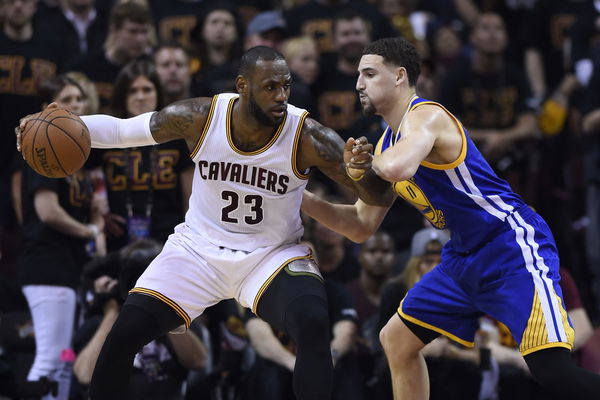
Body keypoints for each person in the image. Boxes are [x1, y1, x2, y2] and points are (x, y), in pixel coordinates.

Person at [16, 45, 393, 400]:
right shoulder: (200, 117)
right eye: (270, 87)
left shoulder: (308, 136)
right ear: (242, 87)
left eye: (286, 86)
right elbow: (120, 131)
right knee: (124, 334)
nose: (282, 96)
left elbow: (380, 196)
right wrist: (51, 124)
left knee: (311, 322)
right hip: (197, 249)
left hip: (270, 256)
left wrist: (363, 173)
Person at [301, 37, 600, 399]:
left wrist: (359, 168)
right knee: (396, 340)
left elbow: (396, 167)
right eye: (358, 75)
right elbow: (360, 227)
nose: (358, 84)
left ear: (399, 76)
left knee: (553, 373)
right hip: (463, 257)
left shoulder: (426, 115)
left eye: (368, 73)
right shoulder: (383, 145)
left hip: (509, 246)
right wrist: (297, 197)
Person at [18, 74, 105, 400]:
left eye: (79, 99)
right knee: (51, 358)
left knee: (67, 358)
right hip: (47, 265)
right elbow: (48, 211)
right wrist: (90, 231)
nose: (76, 105)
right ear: (46, 109)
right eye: (67, 100)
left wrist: (94, 218)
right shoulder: (39, 147)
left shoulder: (79, 155)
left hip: (71, 267)